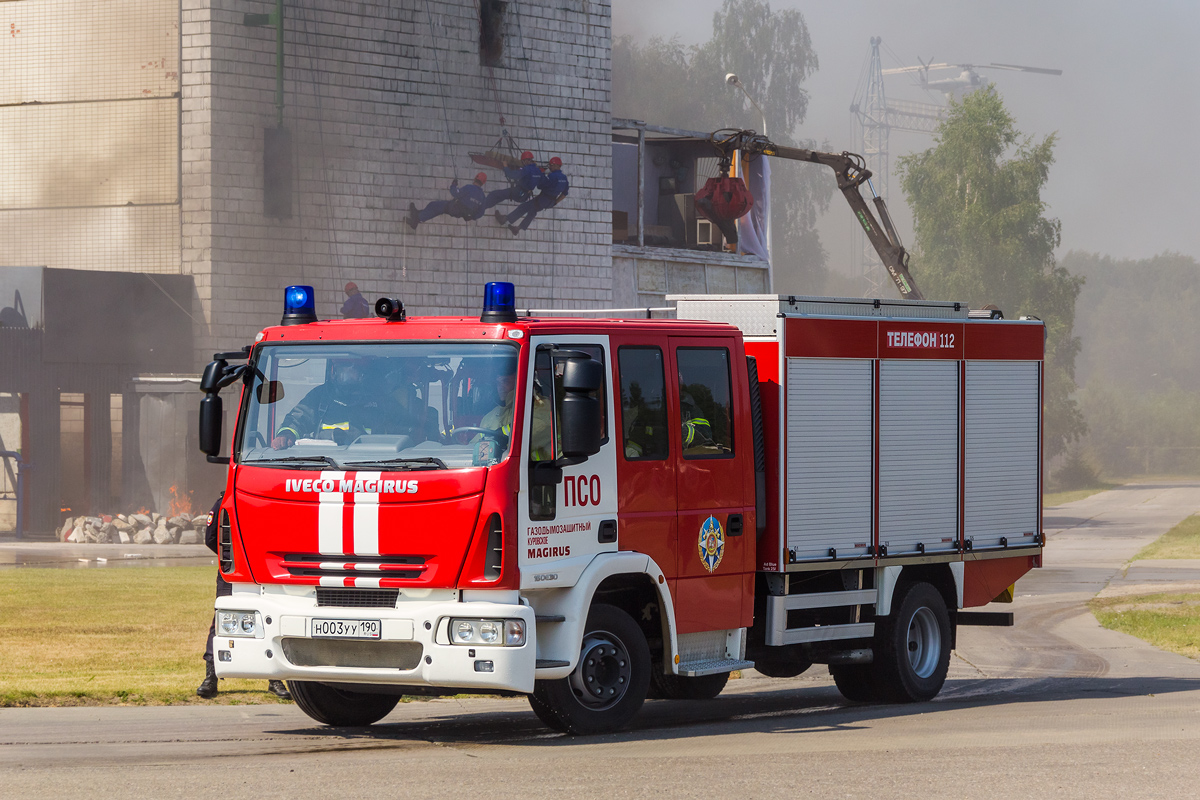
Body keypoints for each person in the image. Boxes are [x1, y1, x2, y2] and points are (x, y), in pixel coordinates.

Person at [197, 494, 291, 700]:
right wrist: (230, 556)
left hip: (261, 571)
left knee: (268, 621)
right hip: (234, 570)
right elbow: (211, 538)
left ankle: (274, 678)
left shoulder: (261, 498)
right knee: (221, 622)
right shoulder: (225, 500)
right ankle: (211, 676)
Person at [271, 358, 408, 449]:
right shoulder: (320, 396)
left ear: (362, 371)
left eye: (350, 367)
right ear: (332, 371)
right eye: (340, 367)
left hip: (371, 466)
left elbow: (402, 430)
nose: (345, 373)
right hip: (323, 466)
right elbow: (296, 419)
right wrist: (287, 435)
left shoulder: (378, 398)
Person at [497, 156, 569, 235]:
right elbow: (564, 193)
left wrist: (540, 174)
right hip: (550, 202)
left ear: (557, 165)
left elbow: (540, 186)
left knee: (523, 207)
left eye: (551, 165)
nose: (550, 167)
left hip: (542, 200)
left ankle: (505, 219)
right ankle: (517, 228)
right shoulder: (564, 178)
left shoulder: (552, 176)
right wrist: (555, 202)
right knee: (532, 212)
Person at [406, 173, 488, 229]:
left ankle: (416, 220)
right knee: (437, 208)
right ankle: (417, 215)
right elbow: (481, 213)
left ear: (475, 178)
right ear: (483, 183)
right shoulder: (482, 197)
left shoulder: (469, 188)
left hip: (453, 208)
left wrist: (454, 185)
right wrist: (471, 217)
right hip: (461, 214)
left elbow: (455, 193)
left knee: (434, 206)